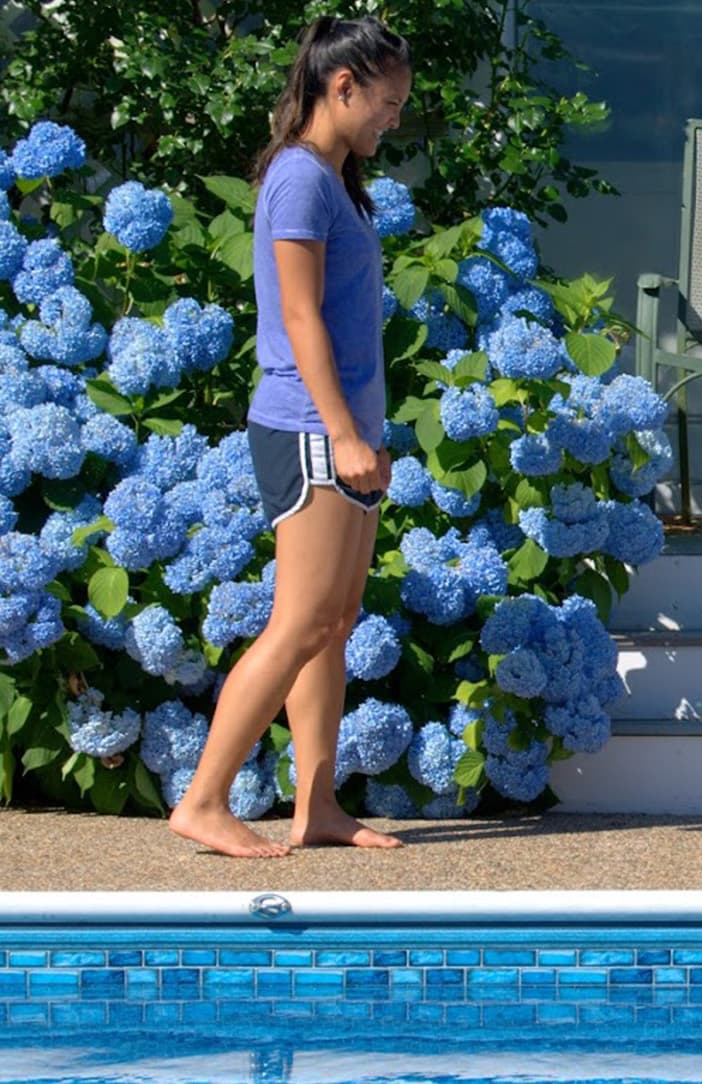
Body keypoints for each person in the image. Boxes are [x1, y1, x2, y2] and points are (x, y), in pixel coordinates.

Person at [168, 17, 412, 858]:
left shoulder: (335, 183)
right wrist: (344, 432)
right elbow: (299, 315)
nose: (393, 120)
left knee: (333, 621)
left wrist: (365, 433)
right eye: (386, 103)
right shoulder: (301, 180)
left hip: (343, 430)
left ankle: (317, 808)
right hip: (311, 429)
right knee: (300, 620)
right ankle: (203, 800)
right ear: (340, 87)